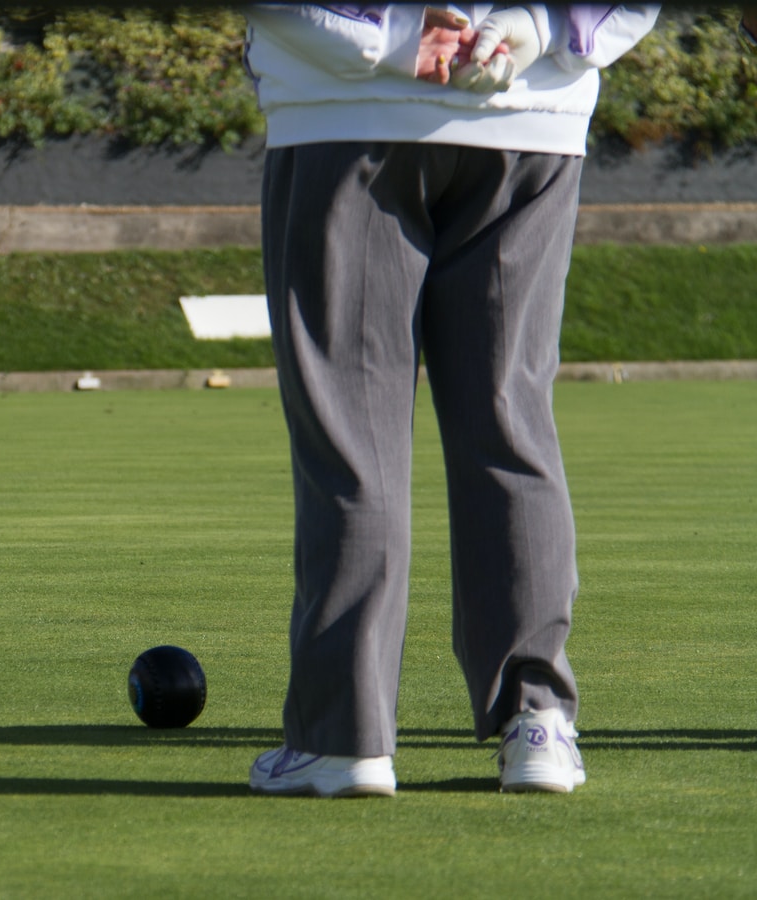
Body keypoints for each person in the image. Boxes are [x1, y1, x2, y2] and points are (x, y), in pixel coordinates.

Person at [240, 4, 659, 797]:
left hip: (345, 114)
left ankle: (343, 737)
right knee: (511, 418)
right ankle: (537, 720)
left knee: (352, 433)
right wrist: (537, 30)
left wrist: (391, 37)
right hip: (532, 115)